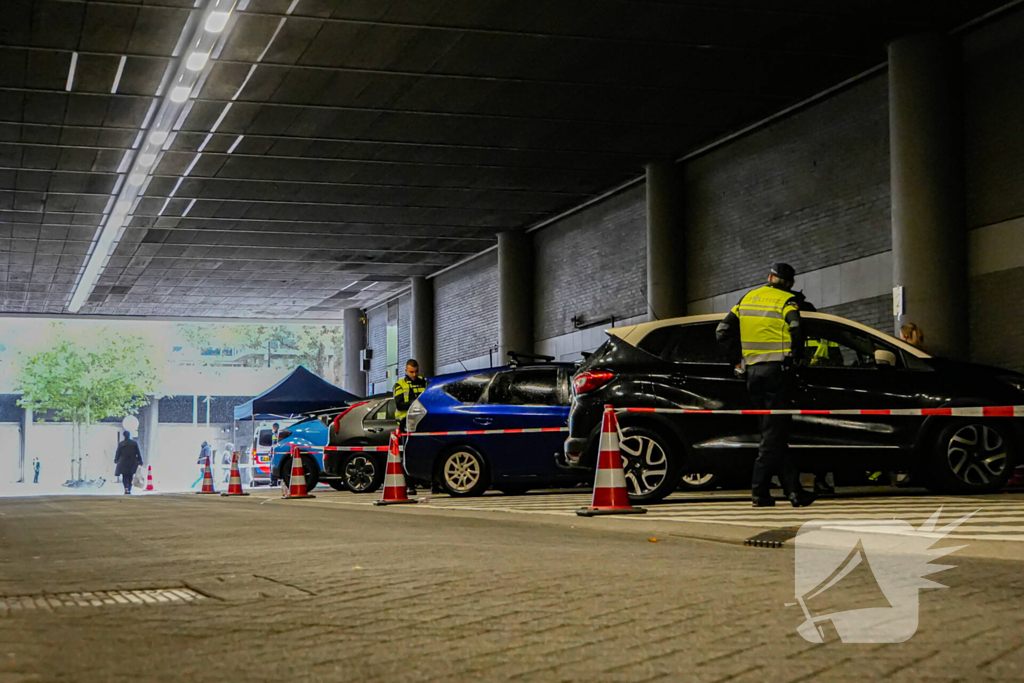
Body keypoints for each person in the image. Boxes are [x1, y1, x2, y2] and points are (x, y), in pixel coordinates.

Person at [716, 263, 816, 508]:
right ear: (791, 283)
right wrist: (796, 358)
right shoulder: (787, 301)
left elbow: (722, 331)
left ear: (770, 277)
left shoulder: (747, 298)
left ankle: (794, 491)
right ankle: (759, 491)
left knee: (774, 432)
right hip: (777, 374)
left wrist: (736, 362)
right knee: (774, 433)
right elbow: (796, 327)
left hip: (752, 374)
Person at [394, 359, 428, 494]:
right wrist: (416, 403)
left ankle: (428, 483)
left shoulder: (424, 383)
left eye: (416, 372)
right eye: (411, 372)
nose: (414, 375)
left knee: (424, 453)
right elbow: (399, 404)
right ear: (406, 371)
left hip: (422, 422)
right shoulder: (400, 385)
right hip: (406, 424)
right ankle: (410, 485)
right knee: (408, 455)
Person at [113, 431, 143, 495]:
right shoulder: (134, 443)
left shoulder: (121, 444)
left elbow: (118, 453)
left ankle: (126, 488)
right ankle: (129, 488)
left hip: (123, 462)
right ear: (129, 435)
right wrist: (140, 461)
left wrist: (116, 460)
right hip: (132, 462)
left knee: (124, 476)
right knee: (130, 476)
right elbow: (138, 453)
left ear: (124, 436)